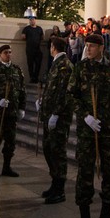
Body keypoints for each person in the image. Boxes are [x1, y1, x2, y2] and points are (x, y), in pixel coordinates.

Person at [71, 33, 110, 218]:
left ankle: (106, 214)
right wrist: (85, 116)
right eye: (87, 46)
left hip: (109, 129)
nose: (88, 49)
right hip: (88, 131)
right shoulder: (81, 68)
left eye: (92, 46)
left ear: (101, 48)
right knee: (85, 174)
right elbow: (72, 95)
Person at [39, 35, 73, 205]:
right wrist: (42, 103)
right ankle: (54, 183)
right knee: (48, 149)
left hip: (58, 117)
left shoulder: (65, 65)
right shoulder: (56, 64)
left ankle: (59, 189)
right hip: (49, 114)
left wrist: (57, 113)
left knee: (58, 151)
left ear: (53, 47)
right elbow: (52, 89)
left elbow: (65, 93)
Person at [0, 44, 25, 177]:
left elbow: (22, 90)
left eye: (9, 52)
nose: (8, 55)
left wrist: (22, 108)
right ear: (0, 55)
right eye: (5, 52)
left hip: (12, 112)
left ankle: (6, 167)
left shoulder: (17, 70)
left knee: (10, 142)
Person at [22, 15, 45, 84]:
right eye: (30, 20)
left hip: (37, 49)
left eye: (33, 19)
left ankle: (36, 77)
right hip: (29, 49)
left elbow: (42, 37)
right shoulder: (26, 28)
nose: (32, 21)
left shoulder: (39, 28)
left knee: (38, 64)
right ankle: (32, 78)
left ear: (35, 20)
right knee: (30, 64)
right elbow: (23, 36)